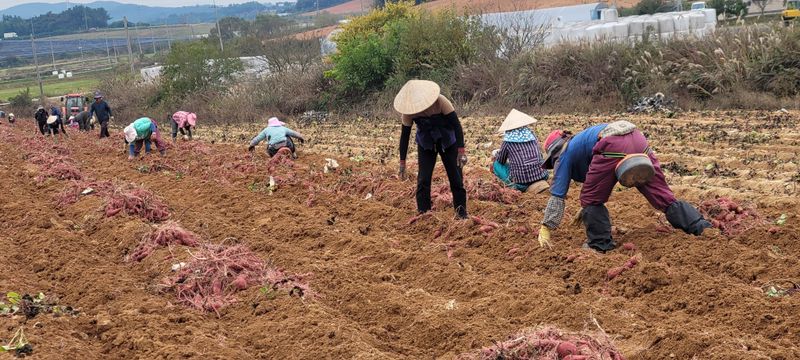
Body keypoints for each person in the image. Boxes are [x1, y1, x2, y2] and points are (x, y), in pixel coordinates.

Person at [537, 120, 712, 252]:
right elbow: (603, 177)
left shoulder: (564, 155)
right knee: (662, 196)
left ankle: (599, 245)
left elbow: (557, 195)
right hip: (638, 139)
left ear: (554, 153)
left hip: (612, 144)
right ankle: (700, 227)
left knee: (590, 199)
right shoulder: (582, 141)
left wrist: (546, 227)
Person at [395, 80, 468, 219]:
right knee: (423, 179)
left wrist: (461, 151)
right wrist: (402, 163)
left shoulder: (441, 101)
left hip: (448, 141)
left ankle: (461, 213)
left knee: (456, 178)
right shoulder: (409, 111)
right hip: (426, 143)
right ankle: (424, 214)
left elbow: (457, 126)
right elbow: (404, 136)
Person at [490, 109, 549, 193]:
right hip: (542, 175)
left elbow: (501, 160)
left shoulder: (508, 142)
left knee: (497, 164)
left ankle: (513, 186)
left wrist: (497, 154)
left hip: (522, 182)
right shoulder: (532, 136)